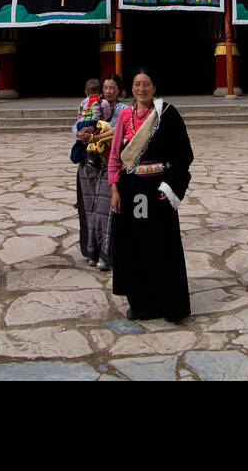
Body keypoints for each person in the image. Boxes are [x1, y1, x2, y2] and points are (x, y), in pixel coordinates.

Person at [108, 68, 193, 322]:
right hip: (130, 188)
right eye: (137, 84)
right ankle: (141, 303)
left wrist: (171, 186)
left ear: (154, 87)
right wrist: (114, 189)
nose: (142, 89)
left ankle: (169, 303)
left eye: (146, 84)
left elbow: (183, 154)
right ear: (131, 89)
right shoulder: (124, 116)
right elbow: (115, 157)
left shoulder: (167, 114)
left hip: (158, 190)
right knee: (134, 247)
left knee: (161, 246)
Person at [75, 74, 127, 270]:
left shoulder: (123, 110)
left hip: (111, 164)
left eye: (113, 88)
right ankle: (92, 251)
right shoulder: (91, 106)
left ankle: (106, 253)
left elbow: (119, 129)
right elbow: (77, 124)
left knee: (106, 210)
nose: (109, 91)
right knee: (90, 208)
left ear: (119, 90)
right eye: (106, 87)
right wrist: (80, 133)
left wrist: (96, 137)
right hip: (89, 163)